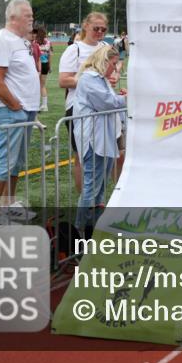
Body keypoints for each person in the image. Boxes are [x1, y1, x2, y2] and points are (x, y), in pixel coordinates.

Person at [0, 0, 41, 225]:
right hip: (12, 110)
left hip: (25, 110)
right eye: (27, 15)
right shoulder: (2, 40)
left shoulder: (20, 41)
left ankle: (9, 206)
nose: (31, 19)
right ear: (13, 17)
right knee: (4, 162)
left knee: (15, 162)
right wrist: (16, 106)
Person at [71, 46, 127, 235]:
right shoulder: (89, 78)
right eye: (113, 64)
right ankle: (81, 228)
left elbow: (109, 102)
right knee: (91, 187)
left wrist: (120, 98)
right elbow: (106, 103)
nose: (115, 69)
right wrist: (126, 99)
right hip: (94, 139)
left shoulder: (99, 79)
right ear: (104, 61)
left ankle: (92, 227)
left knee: (98, 187)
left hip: (103, 138)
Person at [59, 13, 109, 192]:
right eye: (96, 28)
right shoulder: (75, 49)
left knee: (108, 154)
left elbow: (112, 75)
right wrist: (92, 81)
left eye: (104, 29)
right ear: (85, 26)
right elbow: (64, 81)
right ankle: (85, 202)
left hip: (103, 108)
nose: (100, 32)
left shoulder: (106, 47)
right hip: (78, 109)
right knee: (82, 156)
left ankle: (102, 198)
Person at [34, 27, 51, 112]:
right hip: (45, 64)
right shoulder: (47, 42)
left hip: (37, 64)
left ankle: (36, 104)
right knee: (42, 85)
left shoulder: (34, 42)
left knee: (35, 85)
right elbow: (49, 53)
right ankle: (44, 105)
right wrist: (50, 66)